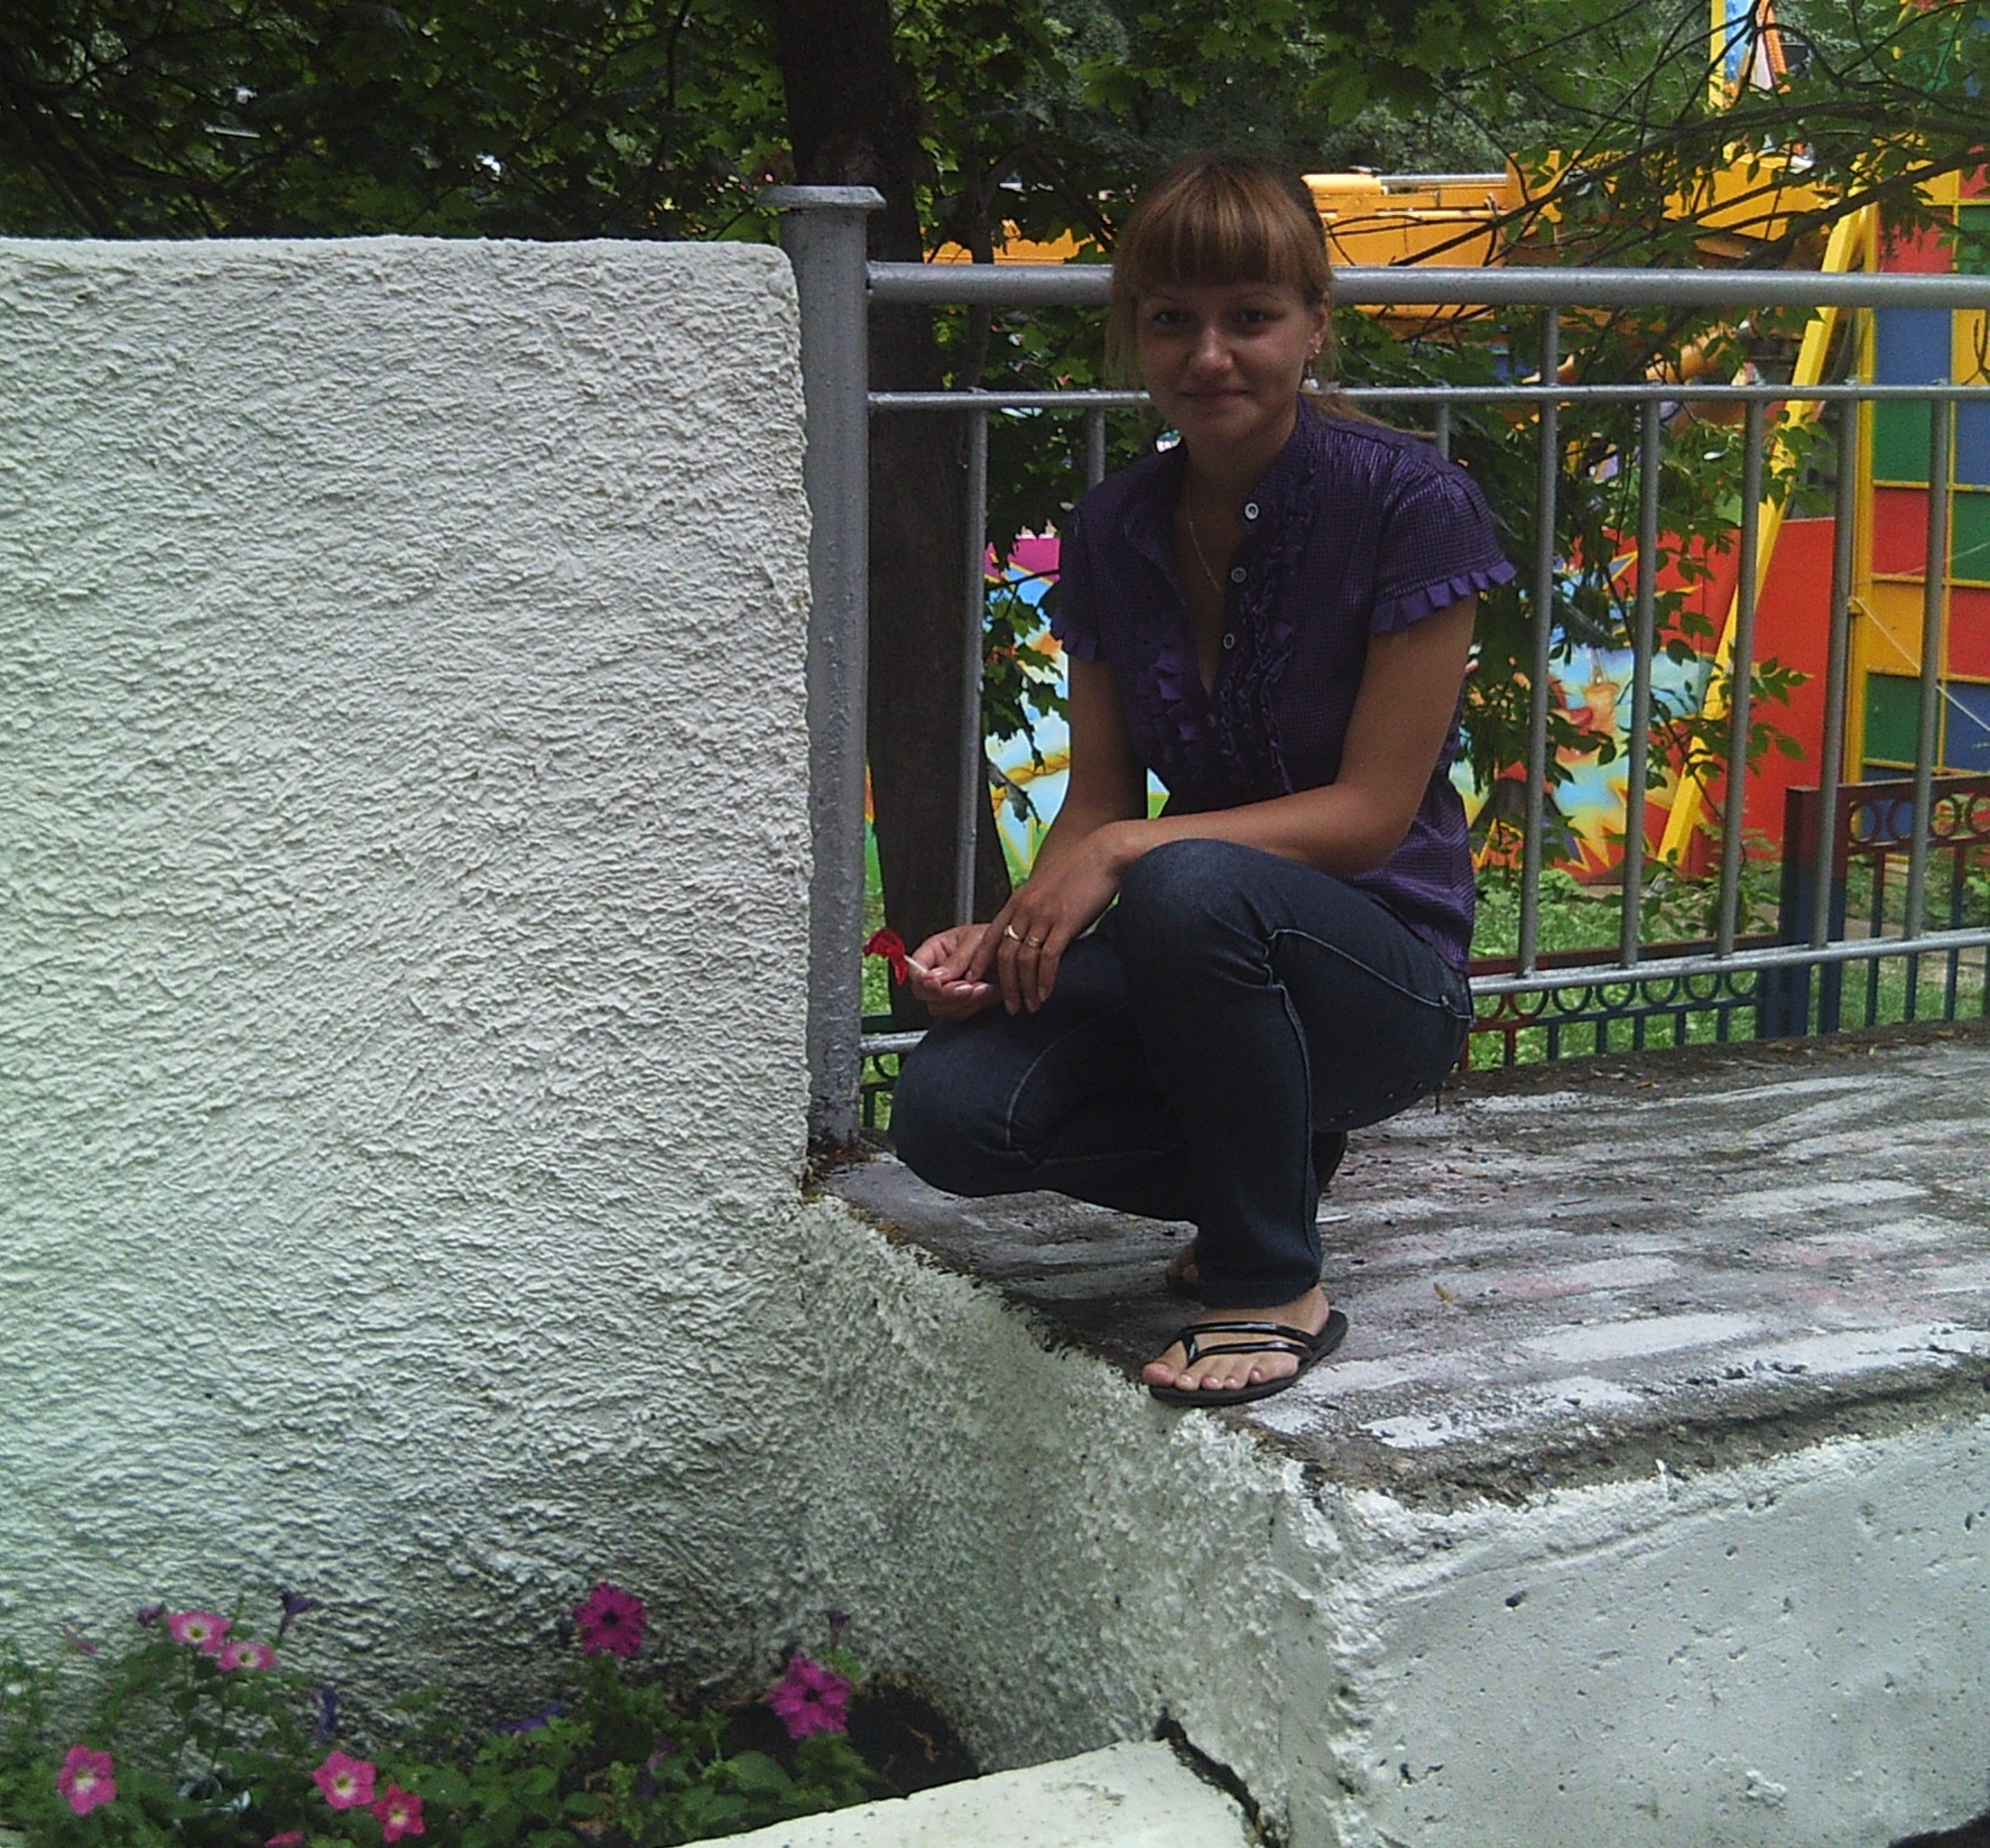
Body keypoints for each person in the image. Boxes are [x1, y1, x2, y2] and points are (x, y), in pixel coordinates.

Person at [889, 153, 1514, 1409]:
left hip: (1381, 979)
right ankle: (1272, 1170)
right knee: (950, 1113)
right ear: (1136, 330)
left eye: (1251, 316)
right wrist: (1009, 937)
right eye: (1173, 317)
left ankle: (1269, 1277)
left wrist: (1129, 854)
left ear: (1314, 325)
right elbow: (1097, 800)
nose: (1209, 354)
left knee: (1186, 883)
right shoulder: (1115, 525)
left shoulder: (1412, 503)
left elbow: (1368, 820)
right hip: (1201, 957)